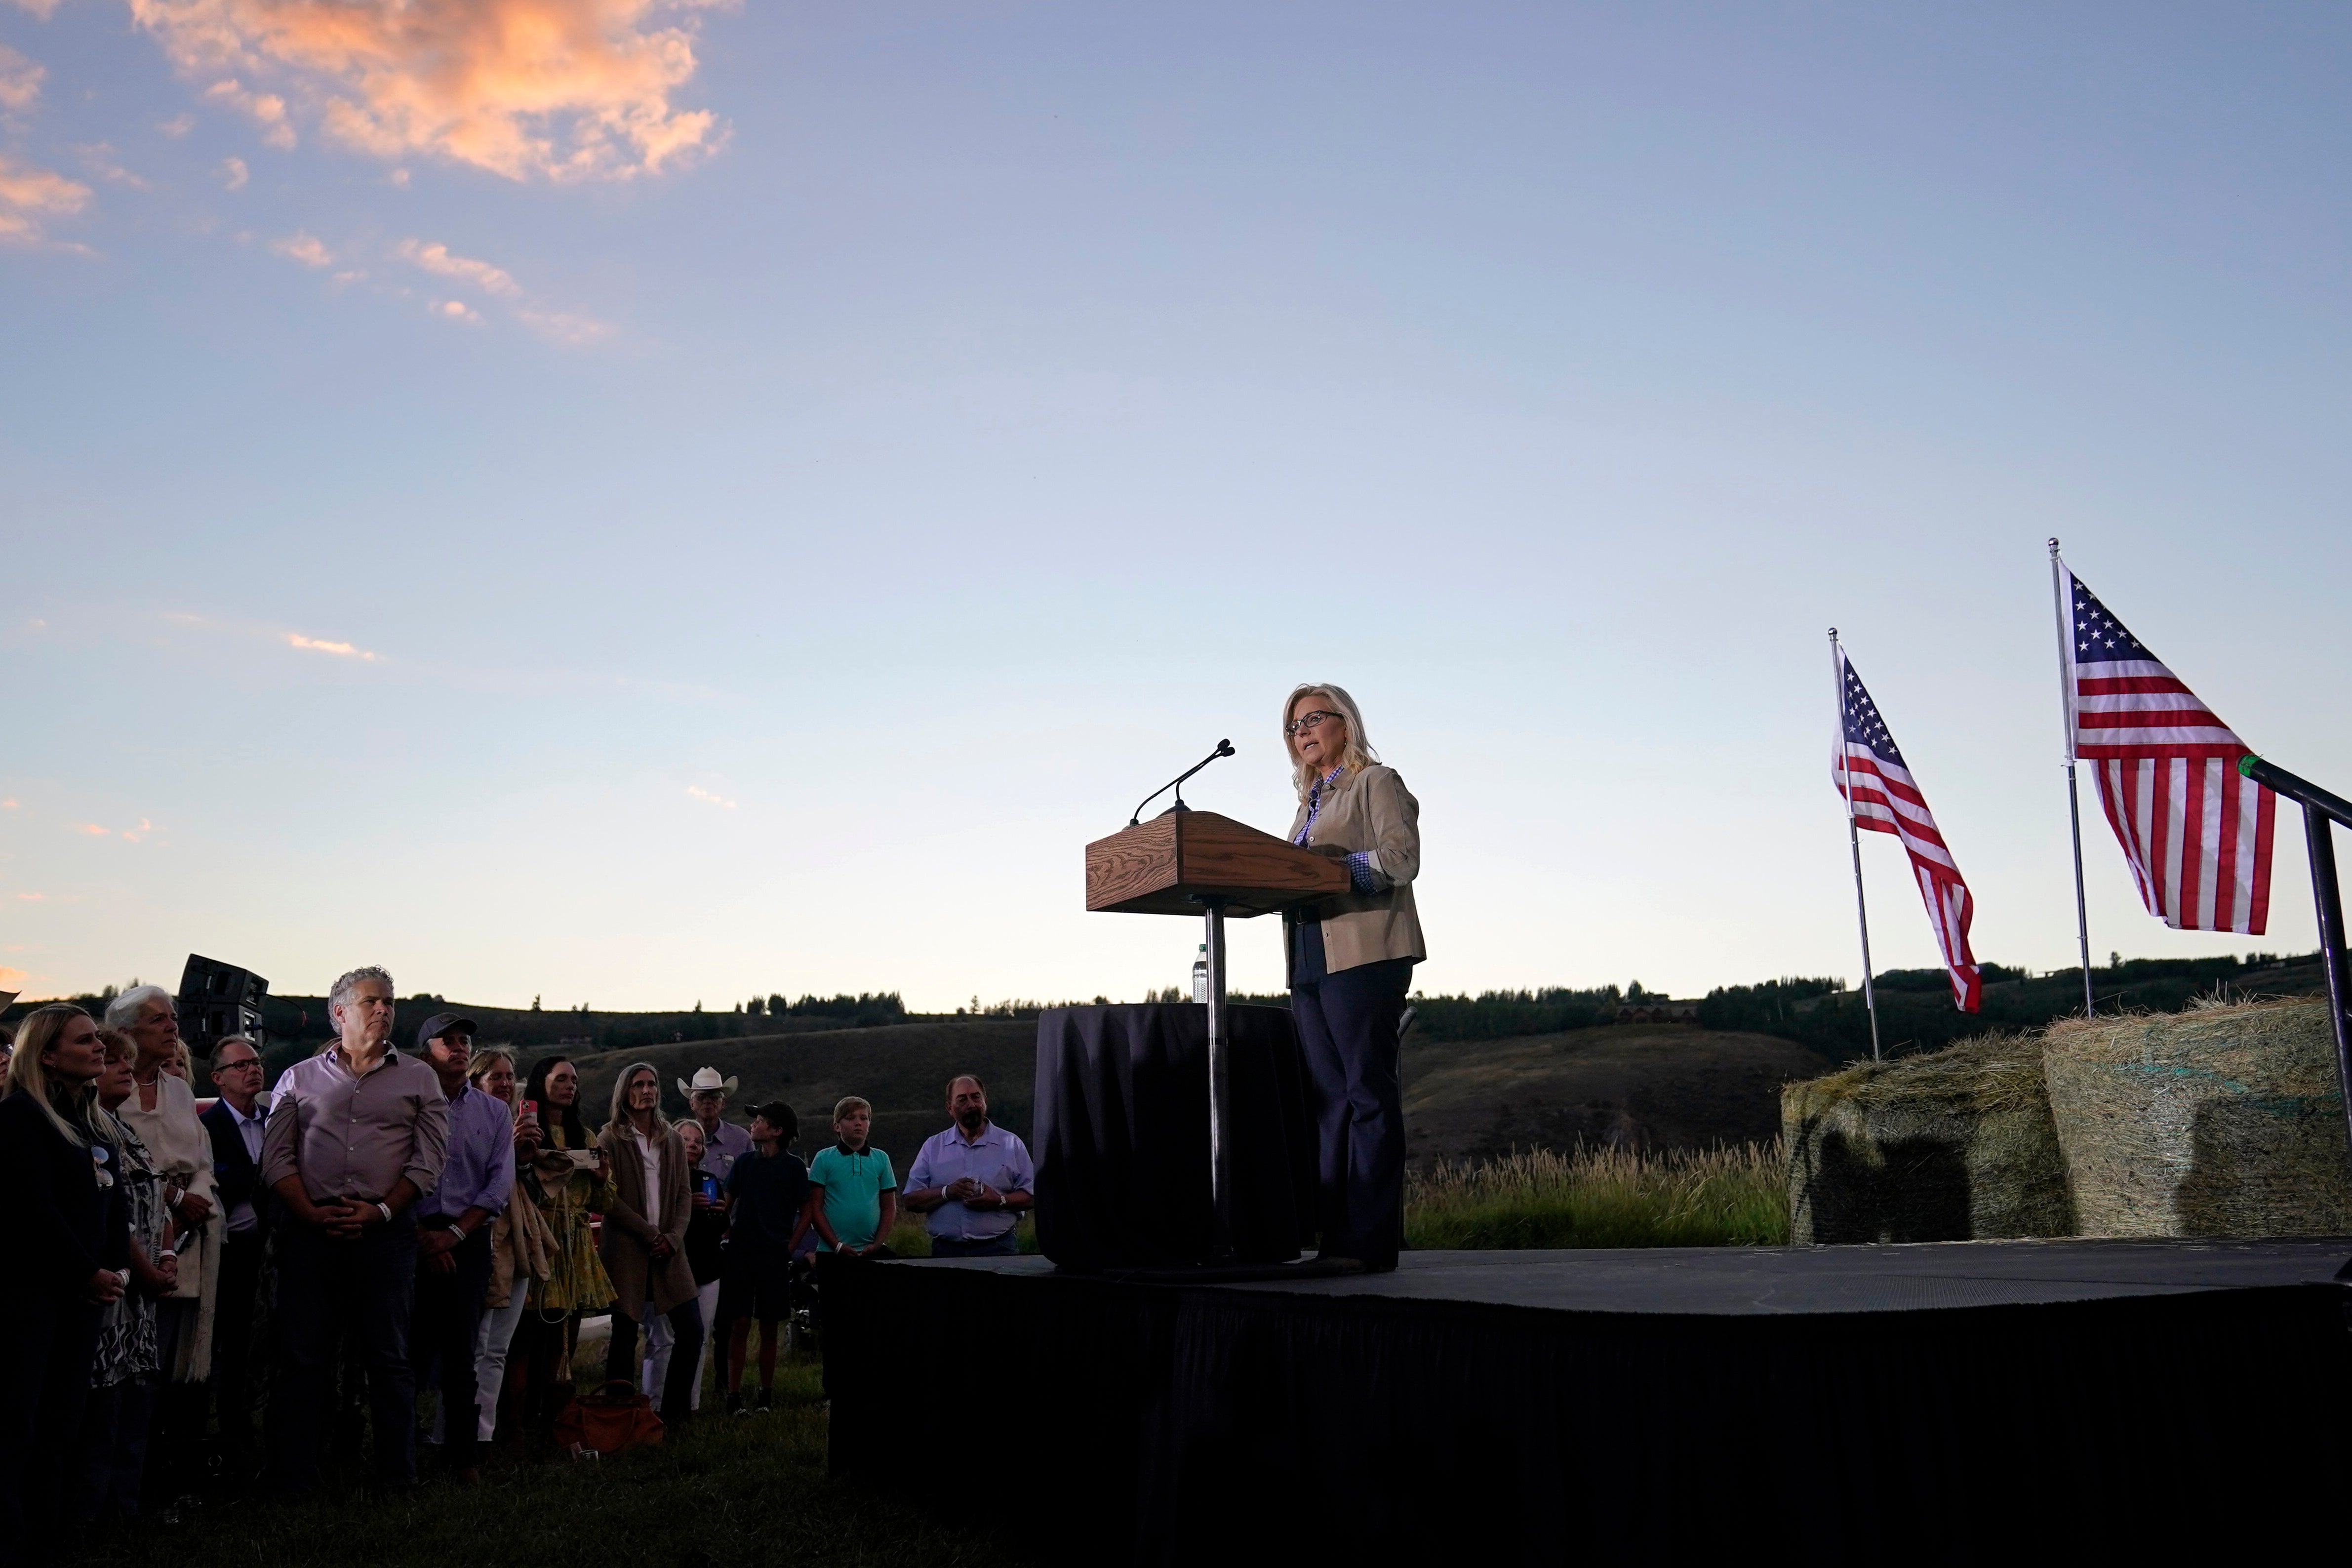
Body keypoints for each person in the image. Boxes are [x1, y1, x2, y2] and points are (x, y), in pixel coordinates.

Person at [261, 966, 450, 1495]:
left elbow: (429, 1160)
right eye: (372, 1002)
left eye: (389, 1002)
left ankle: (397, 1476)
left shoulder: (418, 1078)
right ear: (340, 1012)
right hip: (311, 1233)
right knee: (303, 1357)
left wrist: (383, 1212)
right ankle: (294, 1476)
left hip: (385, 1236)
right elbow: (275, 1158)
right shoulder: (298, 1078)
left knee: (389, 1359)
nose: (385, 1010)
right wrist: (309, 1213)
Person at [1279, 683, 1424, 1273]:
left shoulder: (1375, 782)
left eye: (1313, 718)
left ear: (1345, 723)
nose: (1303, 731)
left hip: (1364, 956)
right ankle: (1335, 1242)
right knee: (1329, 1102)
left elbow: (1401, 858)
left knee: (1366, 1095)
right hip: (1310, 959)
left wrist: (1335, 870)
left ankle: (1370, 1242)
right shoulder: (1306, 802)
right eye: (1293, 726)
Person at [0, 1005, 129, 1566]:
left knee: (62, 1424)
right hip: (31, 1298)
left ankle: (49, 1539)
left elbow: (114, 1204)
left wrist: (119, 1267)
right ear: (47, 1055)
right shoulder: (19, 1119)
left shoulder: (93, 1121)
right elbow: (33, 1211)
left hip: (84, 1297)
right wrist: (86, 1271)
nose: (99, 1047)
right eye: (84, 1041)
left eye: (97, 1039)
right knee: (17, 1425)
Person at [105, 984, 221, 1508]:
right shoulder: (107, 1090)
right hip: (126, 1234)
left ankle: (160, 1475)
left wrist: (192, 1197)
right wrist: (171, 1194)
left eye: (172, 1017)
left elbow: (201, 1157)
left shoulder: (177, 1089)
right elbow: (121, 1159)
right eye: (157, 1019)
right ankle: (118, 1486)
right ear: (126, 1032)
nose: (171, 1026)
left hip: (187, 1238)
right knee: (127, 1368)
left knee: (169, 1362)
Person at [76, 1029, 181, 1523]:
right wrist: (146, 1268)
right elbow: (111, 1215)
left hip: (139, 1292)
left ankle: (124, 1504)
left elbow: (155, 1195)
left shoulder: (123, 1129)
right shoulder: (89, 1131)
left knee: (135, 1400)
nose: (122, 1068)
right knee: (104, 1408)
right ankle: (92, 1513)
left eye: (126, 1060)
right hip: (115, 1289)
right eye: (113, 1060)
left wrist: (167, 1253)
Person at [408, 1011, 512, 1482]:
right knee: (406, 1350)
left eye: (464, 1040)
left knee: (462, 1350)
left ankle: (463, 1457)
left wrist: (453, 1235)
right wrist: (424, 1237)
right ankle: (401, 1454)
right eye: (446, 1040)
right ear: (424, 1052)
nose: (459, 1047)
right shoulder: (405, 1104)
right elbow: (388, 1171)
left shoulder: (493, 1112)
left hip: (467, 1238)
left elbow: (498, 1184)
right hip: (409, 1232)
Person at [507, 1055, 616, 1453]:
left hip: (574, 1241)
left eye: (574, 1079)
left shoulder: (586, 1135)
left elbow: (606, 1197)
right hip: (536, 1237)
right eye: (561, 1078)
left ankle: (556, 1428)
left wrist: (603, 1178)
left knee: (562, 1342)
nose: (569, 1085)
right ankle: (514, 1427)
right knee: (523, 1339)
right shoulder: (524, 1131)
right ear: (541, 1082)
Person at [596, 1063, 703, 1428]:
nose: (647, 1090)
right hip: (628, 1248)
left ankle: (673, 1414)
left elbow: (685, 1194)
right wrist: (647, 1232)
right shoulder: (610, 1138)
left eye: (652, 1084)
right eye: (639, 1084)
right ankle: (619, 1417)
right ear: (625, 1092)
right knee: (625, 1332)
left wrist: (672, 1237)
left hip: (668, 1249)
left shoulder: (672, 1138)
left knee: (691, 1329)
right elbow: (605, 1198)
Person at [462, 1048, 552, 1449]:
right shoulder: (466, 1119)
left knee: (498, 1345)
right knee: (474, 1343)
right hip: (479, 1235)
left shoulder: (517, 1125)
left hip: (516, 1239)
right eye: (494, 1076)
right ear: (476, 1080)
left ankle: (483, 1434)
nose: (503, 1083)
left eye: (508, 1076)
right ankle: (455, 1431)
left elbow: (533, 1193)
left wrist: (527, 1159)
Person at [199, 1035, 271, 1482]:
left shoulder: (277, 1120)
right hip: (232, 1253)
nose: (253, 1070)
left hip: (277, 1248)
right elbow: (216, 1180)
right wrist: (266, 1176)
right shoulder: (207, 1127)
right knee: (231, 1344)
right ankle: (229, 1431)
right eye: (241, 1065)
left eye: (256, 1062)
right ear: (218, 1077)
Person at [717, 1102, 809, 1416]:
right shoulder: (744, 1163)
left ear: (777, 1131)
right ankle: (734, 1394)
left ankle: (766, 1395)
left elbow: (807, 1209)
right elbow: (726, 1203)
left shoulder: (794, 1167)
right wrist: (725, 1231)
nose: (753, 1126)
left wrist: (790, 1246)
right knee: (740, 1323)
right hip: (742, 1252)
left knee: (769, 1325)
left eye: (759, 1121)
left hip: (773, 1254)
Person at [641, 1119, 725, 1415]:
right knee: (662, 1338)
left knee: (699, 1339)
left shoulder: (709, 1180)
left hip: (706, 1268)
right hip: (670, 1265)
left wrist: (718, 1211)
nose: (692, 1145)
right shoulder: (661, 1181)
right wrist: (689, 1207)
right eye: (686, 1139)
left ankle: (690, 1404)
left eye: (697, 1141)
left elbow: (721, 1228)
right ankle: (652, 1404)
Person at [902, 1076, 1036, 1258]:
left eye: (976, 1097)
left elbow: (1033, 1196)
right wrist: (947, 1192)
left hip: (999, 1249)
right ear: (950, 1108)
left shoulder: (1011, 1144)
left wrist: (998, 1201)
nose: (971, 1104)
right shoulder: (933, 1147)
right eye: (963, 1099)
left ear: (985, 1102)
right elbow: (911, 1200)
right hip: (946, 1253)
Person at [804, 1096, 897, 1257]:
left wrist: (877, 1244)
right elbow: (815, 1207)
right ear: (837, 1126)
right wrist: (836, 1245)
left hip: (871, 1251)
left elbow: (889, 1207)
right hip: (831, 1251)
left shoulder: (881, 1158)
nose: (858, 1122)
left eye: (864, 1118)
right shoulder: (824, 1158)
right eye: (850, 1118)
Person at [677, 1067, 753, 1181]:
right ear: (692, 1104)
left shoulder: (742, 1139)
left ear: (723, 1103)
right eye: (701, 1097)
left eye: (714, 1097)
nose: (707, 1101)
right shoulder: (676, 1138)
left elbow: (752, 1179)